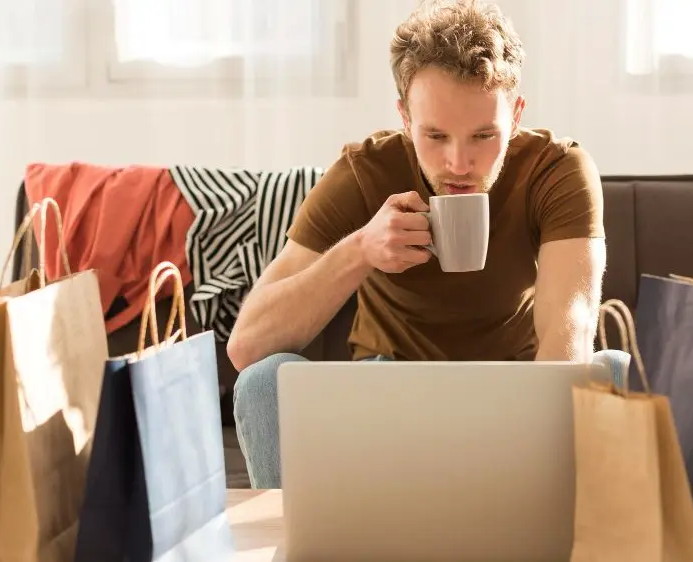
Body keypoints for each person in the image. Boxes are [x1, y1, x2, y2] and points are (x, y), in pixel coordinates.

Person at [227, 0, 629, 489]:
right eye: (435, 135)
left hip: (514, 390)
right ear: (404, 117)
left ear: (516, 115)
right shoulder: (363, 172)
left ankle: (540, 519)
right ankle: (296, 531)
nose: (459, 164)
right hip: (390, 395)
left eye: (484, 135)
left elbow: (570, 328)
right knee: (264, 380)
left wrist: (525, 446)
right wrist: (361, 250)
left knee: (612, 369)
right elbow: (247, 346)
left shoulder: (557, 170)